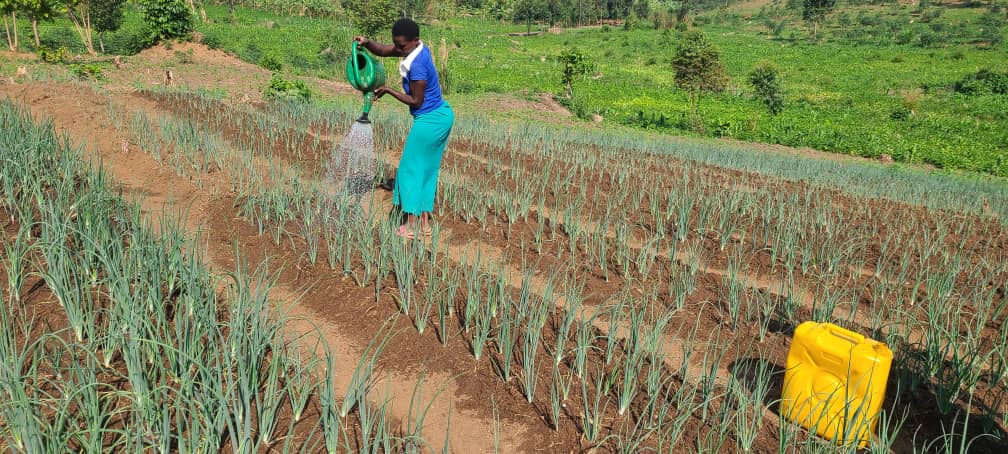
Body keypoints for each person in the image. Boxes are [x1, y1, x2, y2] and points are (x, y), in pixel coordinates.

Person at [354, 18, 454, 240]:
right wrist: (367, 43)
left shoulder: (417, 64)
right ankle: (424, 224)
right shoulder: (414, 49)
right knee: (426, 170)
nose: (397, 49)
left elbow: (416, 101)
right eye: (396, 44)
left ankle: (410, 226)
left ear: (414, 41)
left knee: (410, 171)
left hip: (430, 120)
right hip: (440, 116)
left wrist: (388, 90)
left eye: (401, 46)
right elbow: (384, 50)